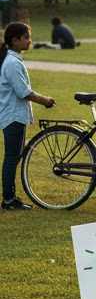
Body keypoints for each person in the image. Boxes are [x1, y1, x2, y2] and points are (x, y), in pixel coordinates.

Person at [1, 23, 56, 210]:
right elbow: (23, 92)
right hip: (12, 116)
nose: (29, 41)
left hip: (15, 115)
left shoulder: (14, 60)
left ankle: (11, 197)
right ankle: (8, 200)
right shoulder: (12, 63)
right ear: (15, 41)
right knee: (11, 157)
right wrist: (45, 100)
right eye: (26, 37)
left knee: (14, 157)